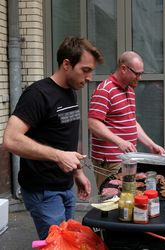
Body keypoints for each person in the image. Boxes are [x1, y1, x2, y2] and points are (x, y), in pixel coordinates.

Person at [3, 36, 103, 240]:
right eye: (85, 70)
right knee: (56, 245)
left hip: (65, 187)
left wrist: (77, 173)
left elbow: (63, 138)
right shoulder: (37, 94)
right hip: (44, 191)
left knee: (67, 242)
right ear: (66, 64)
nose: (90, 77)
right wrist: (58, 156)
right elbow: (11, 139)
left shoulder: (70, 92)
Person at [88, 51, 165, 188]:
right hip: (110, 162)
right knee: (112, 203)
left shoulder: (129, 90)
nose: (139, 77)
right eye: (137, 73)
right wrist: (120, 142)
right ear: (123, 68)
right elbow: (93, 123)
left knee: (127, 201)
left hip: (127, 159)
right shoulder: (104, 90)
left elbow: (131, 122)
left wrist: (151, 144)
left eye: (141, 73)